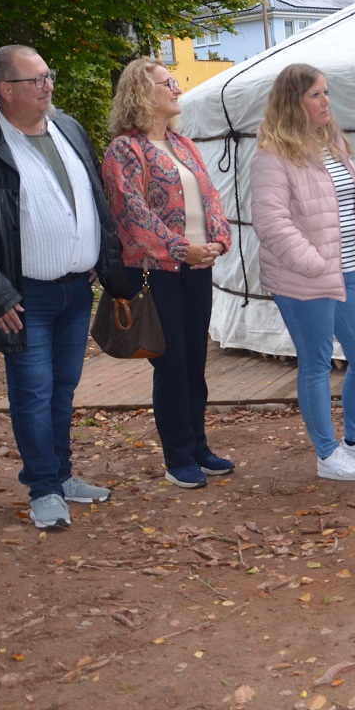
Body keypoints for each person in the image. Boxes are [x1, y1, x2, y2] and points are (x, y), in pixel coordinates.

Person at [0, 45, 132, 530]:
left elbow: (94, 198)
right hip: (24, 298)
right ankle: (43, 488)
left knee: (63, 389)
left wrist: (97, 256)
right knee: (33, 392)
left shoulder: (68, 129)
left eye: (49, 75)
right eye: (36, 79)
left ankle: (61, 475)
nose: (48, 86)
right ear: (6, 90)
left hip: (76, 290)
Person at [251, 64, 355, 481]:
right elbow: (271, 222)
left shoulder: (331, 142)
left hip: (347, 270)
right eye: (315, 94)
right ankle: (326, 452)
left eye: (326, 92)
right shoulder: (272, 154)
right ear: (293, 101)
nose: (326, 101)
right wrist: (314, 263)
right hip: (303, 277)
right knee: (316, 361)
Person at [102, 58, 233, 488]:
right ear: (142, 94)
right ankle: (177, 456)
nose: (177, 89)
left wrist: (219, 240)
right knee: (172, 363)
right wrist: (182, 249)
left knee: (195, 359)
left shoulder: (184, 145)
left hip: (196, 267)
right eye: (167, 83)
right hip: (155, 270)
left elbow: (211, 197)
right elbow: (132, 214)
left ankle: (198, 446)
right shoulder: (125, 150)